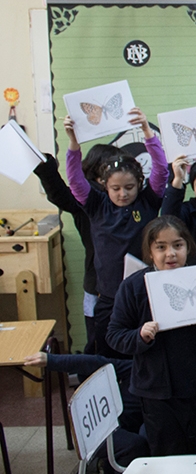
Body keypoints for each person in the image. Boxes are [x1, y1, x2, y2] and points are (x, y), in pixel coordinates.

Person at [106, 216, 196, 457]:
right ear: (150, 251)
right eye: (161, 247)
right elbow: (114, 335)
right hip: (159, 394)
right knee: (170, 456)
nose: (171, 254)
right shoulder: (134, 287)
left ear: (188, 247)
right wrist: (140, 336)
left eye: (178, 245)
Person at [64, 109, 168, 358]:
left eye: (130, 187)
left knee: (145, 353)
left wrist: (147, 132)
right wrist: (73, 143)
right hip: (109, 297)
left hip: (144, 294)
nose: (123, 194)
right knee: (110, 355)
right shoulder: (97, 205)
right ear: (104, 186)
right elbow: (76, 180)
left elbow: (162, 170)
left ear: (139, 184)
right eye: (116, 188)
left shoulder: (148, 201)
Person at [32, 144, 119, 354]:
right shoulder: (87, 202)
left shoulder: (128, 200)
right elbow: (59, 193)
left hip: (127, 284)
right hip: (97, 285)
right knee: (98, 342)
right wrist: (44, 165)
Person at [23, 351, 149, 474]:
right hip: (99, 429)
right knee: (137, 446)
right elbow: (93, 362)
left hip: (122, 425)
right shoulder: (138, 368)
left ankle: (106, 465)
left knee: (148, 437)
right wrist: (51, 360)